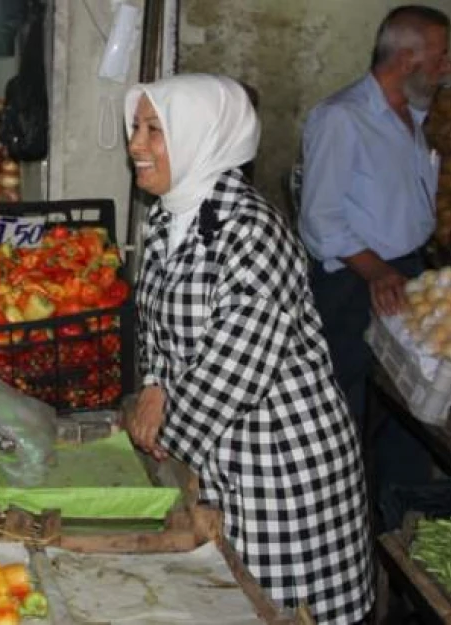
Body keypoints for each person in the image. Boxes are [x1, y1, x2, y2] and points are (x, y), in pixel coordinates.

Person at [122, 74, 373, 624]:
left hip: (276, 467)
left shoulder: (252, 231)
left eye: (154, 130)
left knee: (281, 608)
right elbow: (157, 326)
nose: (136, 144)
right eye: (136, 127)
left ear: (202, 137)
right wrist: (153, 385)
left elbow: (233, 366)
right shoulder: (170, 218)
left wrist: (157, 437)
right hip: (214, 454)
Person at [299, 6, 450, 499]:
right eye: (442, 57)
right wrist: (377, 272)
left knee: (408, 406)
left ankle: (398, 512)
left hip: (403, 271)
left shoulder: (413, 114)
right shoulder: (342, 118)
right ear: (408, 58)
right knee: (343, 403)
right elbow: (320, 221)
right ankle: (332, 507)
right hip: (352, 280)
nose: (447, 68)